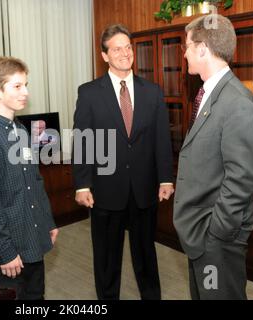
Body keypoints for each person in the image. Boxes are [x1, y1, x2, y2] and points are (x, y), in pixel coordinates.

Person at [73, 24, 174, 300]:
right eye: (117, 49)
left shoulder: (153, 91)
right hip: (105, 191)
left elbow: (162, 139)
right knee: (107, 259)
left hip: (144, 189)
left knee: (146, 256)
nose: (125, 53)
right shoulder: (89, 92)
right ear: (104, 55)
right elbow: (83, 141)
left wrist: (166, 178)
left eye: (128, 47)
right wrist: (82, 184)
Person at [173, 14, 253, 300]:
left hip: (217, 237)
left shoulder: (237, 102)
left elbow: (242, 178)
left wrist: (216, 233)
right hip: (202, 233)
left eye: (186, 46)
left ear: (202, 49)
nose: (184, 53)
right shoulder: (208, 94)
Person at [0, 56, 59, 300]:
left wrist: (47, 222)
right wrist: (6, 252)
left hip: (32, 239)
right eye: (17, 86)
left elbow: (34, 183)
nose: (25, 92)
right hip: (8, 251)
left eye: (26, 84)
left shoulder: (21, 129)